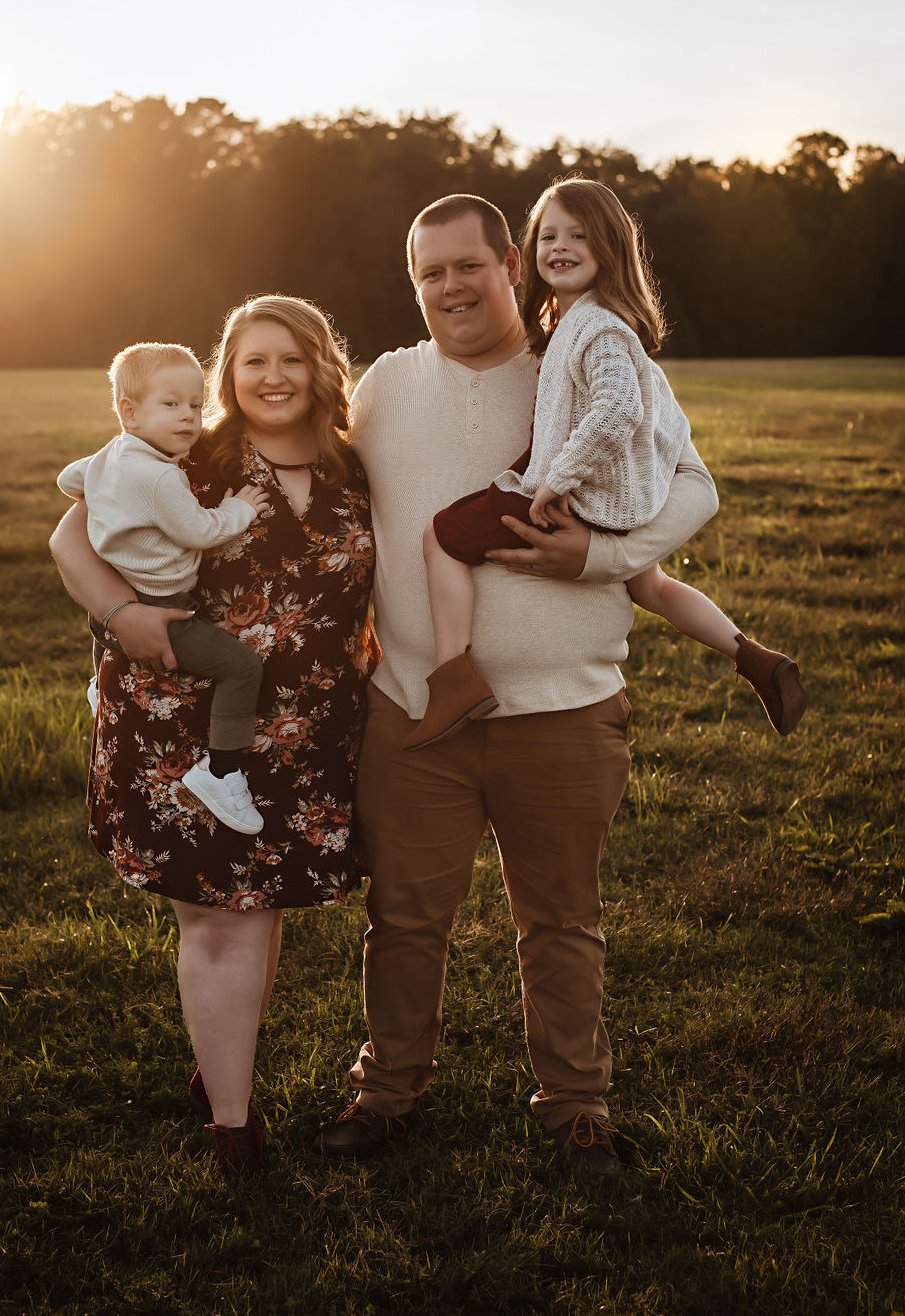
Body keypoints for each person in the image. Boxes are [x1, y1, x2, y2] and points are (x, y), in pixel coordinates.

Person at [315, 193, 720, 1173]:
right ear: (412, 285)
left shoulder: (581, 354)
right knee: (404, 919)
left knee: (561, 921)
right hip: (416, 704)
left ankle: (576, 1108)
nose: (450, 286)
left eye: (468, 264)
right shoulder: (383, 386)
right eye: (429, 273)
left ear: (509, 262)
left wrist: (590, 556)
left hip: (566, 706)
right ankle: (385, 1092)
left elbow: (696, 485)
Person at [49, 296, 378, 1182]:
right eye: (252, 361)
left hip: (306, 728)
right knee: (221, 921)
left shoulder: (358, 467)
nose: (272, 377)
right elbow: (67, 533)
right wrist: (122, 613)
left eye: (291, 360)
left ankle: (216, 1068)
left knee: (256, 910)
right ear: (227, 374)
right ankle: (234, 1129)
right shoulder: (192, 459)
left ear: (320, 367)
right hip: (182, 723)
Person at [405, 179, 807, 750]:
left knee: (441, 538)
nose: (561, 246)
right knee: (654, 586)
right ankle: (755, 658)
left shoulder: (598, 328)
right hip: (609, 497)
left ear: (611, 247)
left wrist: (557, 478)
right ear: (532, 249)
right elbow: (652, 417)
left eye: (579, 235)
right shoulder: (581, 324)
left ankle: (454, 679)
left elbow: (620, 407)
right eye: (549, 235)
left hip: (577, 493)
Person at [57, 341, 271, 833]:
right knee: (242, 666)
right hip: (162, 610)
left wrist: (106, 489)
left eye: (195, 405)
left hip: (110, 604)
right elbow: (200, 531)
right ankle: (221, 770)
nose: (189, 418)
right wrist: (240, 508)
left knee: (103, 630)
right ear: (129, 413)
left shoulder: (112, 453)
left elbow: (72, 479)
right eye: (170, 405)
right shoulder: (160, 479)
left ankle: (98, 687)